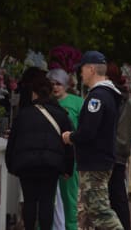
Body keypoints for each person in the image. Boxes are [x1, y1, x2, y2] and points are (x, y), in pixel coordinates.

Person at [62, 50, 124, 230]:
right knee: (86, 214)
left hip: (94, 163)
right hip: (98, 161)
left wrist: (70, 137)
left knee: (99, 211)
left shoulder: (97, 97)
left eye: (81, 69)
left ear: (90, 69)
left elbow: (88, 132)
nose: (80, 73)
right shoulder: (108, 94)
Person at [5, 70, 74, 230]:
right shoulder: (61, 115)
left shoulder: (23, 114)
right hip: (51, 164)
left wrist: (11, 165)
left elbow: (13, 142)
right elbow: (68, 142)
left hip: (26, 164)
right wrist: (68, 168)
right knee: (47, 201)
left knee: (29, 201)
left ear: (33, 93)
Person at [47, 68, 83, 230]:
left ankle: (71, 227)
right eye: (52, 84)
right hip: (48, 156)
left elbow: (84, 130)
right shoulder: (45, 102)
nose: (55, 87)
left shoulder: (78, 103)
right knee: (46, 197)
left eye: (59, 84)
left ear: (66, 85)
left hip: (70, 156)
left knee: (70, 197)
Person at [105, 62, 131, 230]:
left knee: (115, 195)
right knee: (116, 196)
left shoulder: (117, 99)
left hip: (113, 152)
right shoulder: (120, 98)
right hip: (117, 152)